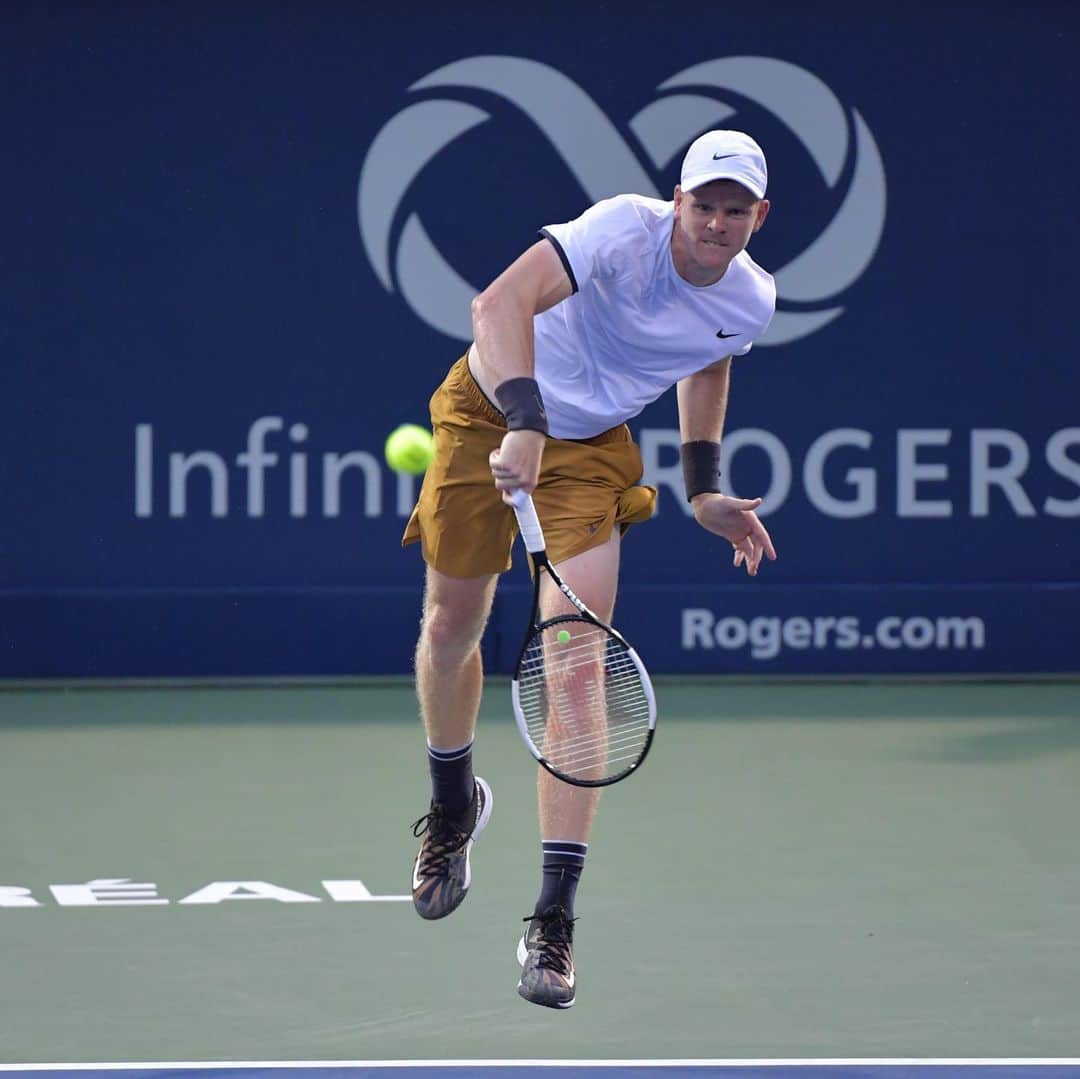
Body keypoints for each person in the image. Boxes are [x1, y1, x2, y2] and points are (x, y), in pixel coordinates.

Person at [402, 129, 778, 1010]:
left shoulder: (751, 299)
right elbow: (497, 306)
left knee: (576, 666)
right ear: (676, 199)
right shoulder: (618, 230)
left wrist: (702, 487)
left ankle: (553, 918)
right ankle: (454, 805)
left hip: (591, 454)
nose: (717, 223)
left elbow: (709, 357)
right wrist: (524, 420)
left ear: (759, 216)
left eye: (736, 210)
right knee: (450, 628)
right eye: (703, 204)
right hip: (490, 409)